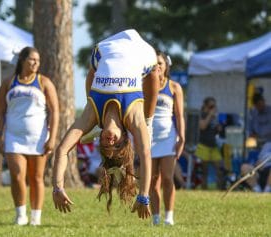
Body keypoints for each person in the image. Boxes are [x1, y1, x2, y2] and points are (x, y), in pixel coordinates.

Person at [52, 29, 160, 219]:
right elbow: (145, 154)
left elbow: (62, 150)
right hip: (141, 51)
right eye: (117, 145)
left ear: (100, 139)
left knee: (94, 68)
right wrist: (143, 196)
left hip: (106, 47)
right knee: (154, 72)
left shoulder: (91, 114)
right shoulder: (134, 118)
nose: (110, 141)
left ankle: (92, 96)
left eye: (105, 145)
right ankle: (150, 119)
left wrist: (57, 187)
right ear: (125, 138)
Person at [0, 47, 59, 225]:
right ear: (22, 60)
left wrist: (52, 137)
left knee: (36, 177)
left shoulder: (44, 82)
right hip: (13, 136)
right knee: (17, 175)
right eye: (32, 59)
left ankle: (36, 217)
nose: (35, 63)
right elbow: (0, 112)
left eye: (38, 60)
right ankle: (20, 215)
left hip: (37, 138)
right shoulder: (9, 83)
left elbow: (55, 112)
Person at [150, 50, 185, 226]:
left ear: (166, 66)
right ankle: (155, 217)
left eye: (160, 63)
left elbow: (179, 116)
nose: (157, 67)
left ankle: (169, 216)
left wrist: (182, 137)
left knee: (167, 178)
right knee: (152, 179)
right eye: (154, 64)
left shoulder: (174, 87)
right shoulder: (144, 85)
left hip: (167, 137)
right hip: (149, 138)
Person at [195, 97, 223, 189]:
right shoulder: (202, 114)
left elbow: (216, 130)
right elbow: (202, 126)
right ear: (206, 106)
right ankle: (204, 189)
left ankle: (220, 188)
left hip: (213, 146)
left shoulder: (214, 117)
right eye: (211, 106)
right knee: (204, 171)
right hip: (203, 146)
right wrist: (210, 115)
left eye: (214, 106)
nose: (213, 108)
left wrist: (218, 128)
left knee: (219, 168)